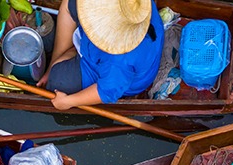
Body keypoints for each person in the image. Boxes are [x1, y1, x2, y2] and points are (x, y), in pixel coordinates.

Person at [37, 0, 165, 110]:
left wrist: (68, 102)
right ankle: (70, 51)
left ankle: (73, 51)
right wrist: (51, 65)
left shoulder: (120, 57)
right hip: (101, 52)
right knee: (71, 4)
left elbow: (107, 91)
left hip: (114, 75)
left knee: (57, 79)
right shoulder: (130, 6)